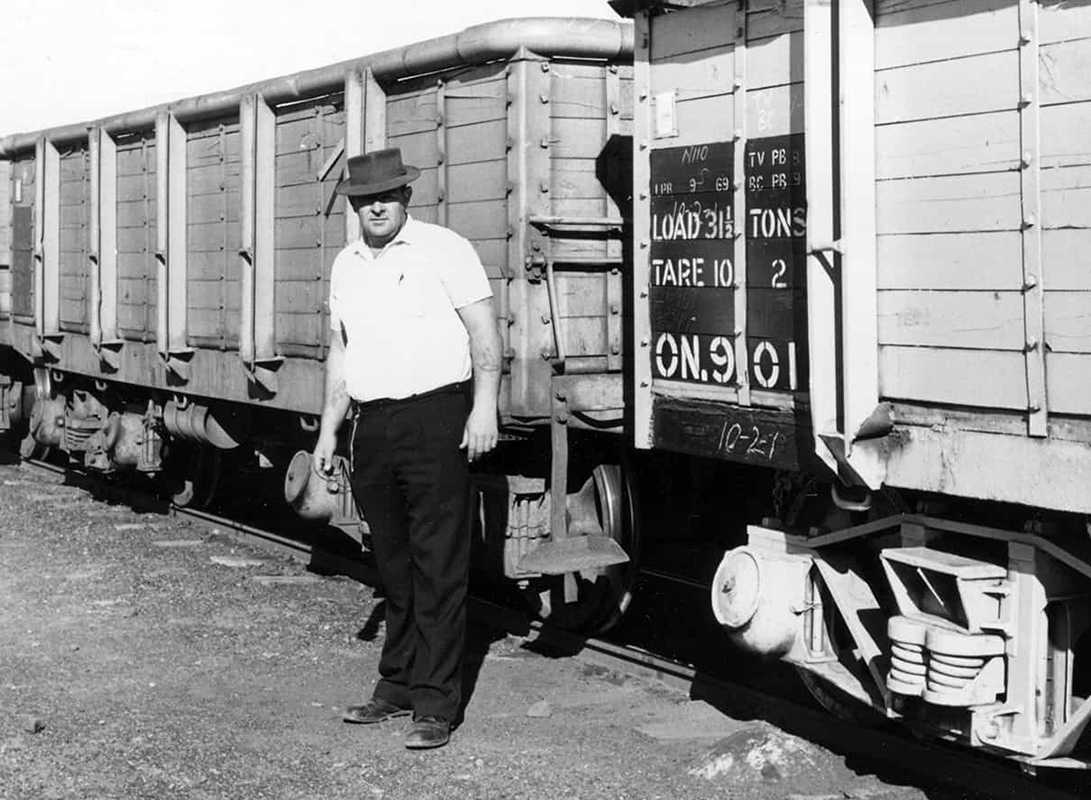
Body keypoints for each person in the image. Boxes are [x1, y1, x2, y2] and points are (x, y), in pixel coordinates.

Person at [312, 147, 502, 749]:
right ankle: (395, 686)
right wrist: (327, 432)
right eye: (366, 198)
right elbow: (341, 354)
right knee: (391, 564)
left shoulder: (445, 249)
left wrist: (484, 408)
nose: (377, 206)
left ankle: (436, 705)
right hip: (372, 425)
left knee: (438, 564)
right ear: (352, 204)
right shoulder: (345, 265)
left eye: (387, 196)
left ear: (407, 197)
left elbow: (483, 335)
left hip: (437, 417)